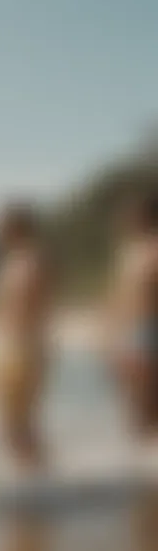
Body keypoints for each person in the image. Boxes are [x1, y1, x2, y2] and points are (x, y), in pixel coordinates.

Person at [0, 201, 51, 475]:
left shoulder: (31, 262)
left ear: (16, 227)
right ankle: (34, 473)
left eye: (0, 226)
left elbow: (30, 308)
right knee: (13, 421)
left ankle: (36, 473)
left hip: (21, 347)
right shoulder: (12, 263)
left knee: (15, 421)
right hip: (10, 347)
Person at [106, 192, 158, 453]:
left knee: (147, 402)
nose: (125, 220)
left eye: (131, 215)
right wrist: (109, 335)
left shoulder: (154, 250)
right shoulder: (128, 252)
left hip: (148, 330)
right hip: (127, 333)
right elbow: (118, 295)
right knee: (133, 404)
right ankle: (144, 465)